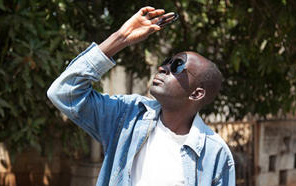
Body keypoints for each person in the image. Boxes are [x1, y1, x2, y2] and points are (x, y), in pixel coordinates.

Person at [47, 6, 235, 186]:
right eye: (166, 62)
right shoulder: (127, 116)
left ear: (197, 93)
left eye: (177, 65)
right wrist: (121, 38)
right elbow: (64, 93)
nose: (163, 68)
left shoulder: (215, 154)